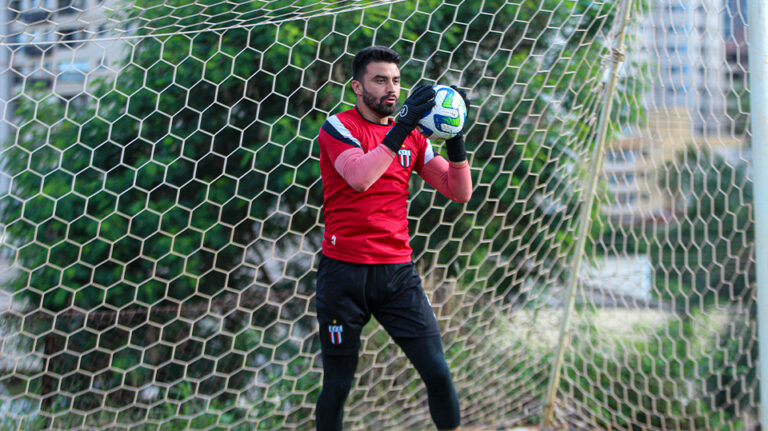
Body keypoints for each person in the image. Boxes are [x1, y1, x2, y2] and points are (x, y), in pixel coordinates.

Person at [314, 45, 472, 431]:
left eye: (396, 81)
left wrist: (455, 136)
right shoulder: (338, 127)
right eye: (380, 80)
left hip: (397, 275)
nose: (391, 89)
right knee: (338, 384)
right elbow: (360, 178)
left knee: (438, 372)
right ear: (357, 86)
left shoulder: (414, 137)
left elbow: (459, 191)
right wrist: (404, 125)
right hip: (343, 276)